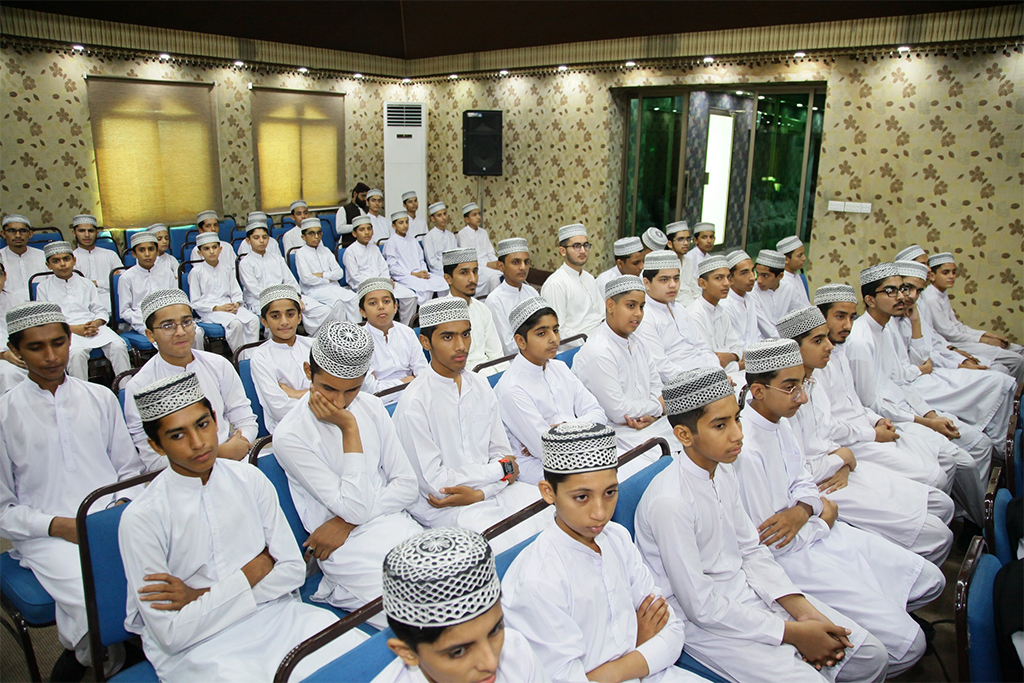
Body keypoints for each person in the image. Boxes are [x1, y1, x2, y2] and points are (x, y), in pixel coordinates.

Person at [634, 365, 889, 683]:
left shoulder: (722, 469)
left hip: (746, 588)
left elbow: (750, 550)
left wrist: (801, 610)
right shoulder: (670, 502)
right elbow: (701, 606)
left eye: (737, 419)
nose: (738, 434)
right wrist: (793, 633)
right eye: (720, 425)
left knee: (869, 655)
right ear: (684, 435)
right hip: (703, 621)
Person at [119, 372, 366, 682]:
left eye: (203, 424)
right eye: (178, 435)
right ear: (157, 446)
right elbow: (172, 634)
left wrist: (201, 595)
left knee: (362, 662)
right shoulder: (142, 518)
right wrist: (253, 572)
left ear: (215, 420)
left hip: (279, 617)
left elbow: (290, 572)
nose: (198, 443)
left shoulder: (249, 479)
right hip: (202, 650)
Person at [735, 338, 943, 677]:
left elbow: (803, 482)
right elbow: (773, 540)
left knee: (929, 580)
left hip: (818, 532)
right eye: (791, 387)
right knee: (907, 644)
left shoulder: (781, 422)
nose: (802, 397)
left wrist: (806, 511)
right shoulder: (745, 450)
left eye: (802, 384)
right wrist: (822, 516)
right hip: (796, 558)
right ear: (758, 391)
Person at [1, 302, 144, 680]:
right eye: (36, 347)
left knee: (171, 571)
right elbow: (3, 509)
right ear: (16, 351)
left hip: (111, 518)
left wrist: (121, 509)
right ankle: (109, 665)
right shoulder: (4, 414)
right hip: (45, 534)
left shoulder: (99, 398)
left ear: (70, 341)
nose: (51, 356)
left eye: (58, 342)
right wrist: (60, 526)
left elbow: (127, 470)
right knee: (92, 600)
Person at [502, 421, 698, 683]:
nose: (600, 512)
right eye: (582, 497)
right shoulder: (538, 581)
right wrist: (638, 648)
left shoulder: (616, 538)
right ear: (549, 493)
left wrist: (619, 665)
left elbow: (673, 631)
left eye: (610, 492)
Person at [778, 305, 955, 566]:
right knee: (934, 535)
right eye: (818, 340)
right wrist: (845, 456)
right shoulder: (785, 399)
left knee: (940, 503)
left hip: (839, 466)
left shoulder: (814, 380)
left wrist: (846, 458)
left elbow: (835, 426)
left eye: (827, 337)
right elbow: (797, 470)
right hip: (821, 484)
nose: (829, 346)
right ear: (794, 349)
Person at [273, 321, 424, 627]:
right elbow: (356, 506)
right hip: (347, 550)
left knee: (460, 598)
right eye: (328, 388)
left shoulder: (371, 405)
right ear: (308, 372)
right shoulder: (290, 435)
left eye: (352, 390)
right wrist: (349, 428)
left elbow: (407, 487)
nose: (339, 403)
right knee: (421, 622)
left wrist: (343, 522)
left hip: (394, 526)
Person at [392, 297, 545, 553]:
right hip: (448, 508)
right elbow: (437, 486)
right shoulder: (414, 402)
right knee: (504, 542)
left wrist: (482, 492)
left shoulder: (481, 385)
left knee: (549, 511)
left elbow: (508, 461)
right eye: (448, 337)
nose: (461, 346)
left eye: (466, 334)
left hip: (491, 493)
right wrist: (499, 473)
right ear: (425, 342)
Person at [846, 263, 990, 528]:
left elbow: (900, 381)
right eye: (890, 291)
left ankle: (973, 522)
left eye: (902, 289)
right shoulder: (859, 340)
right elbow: (871, 402)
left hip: (906, 411)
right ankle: (979, 526)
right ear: (869, 299)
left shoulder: (885, 329)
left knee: (976, 447)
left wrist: (931, 415)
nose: (902, 296)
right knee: (959, 464)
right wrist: (925, 423)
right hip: (888, 420)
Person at [814, 283, 961, 494]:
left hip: (869, 427)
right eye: (840, 317)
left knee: (941, 462)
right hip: (854, 441)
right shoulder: (818, 364)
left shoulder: (840, 351)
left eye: (852, 318)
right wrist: (873, 433)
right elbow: (829, 425)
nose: (848, 325)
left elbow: (856, 403)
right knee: (935, 478)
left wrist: (877, 420)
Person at [374, 527, 549, 683]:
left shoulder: (516, 651)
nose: (491, 663)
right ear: (408, 653)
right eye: (458, 652)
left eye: (495, 631)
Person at [890, 259, 1015, 455]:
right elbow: (903, 372)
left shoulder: (911, 312)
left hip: (922, 376)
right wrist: (936, 367)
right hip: (914, 384)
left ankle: (1006, 446)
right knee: (997, 381)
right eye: (907, 289)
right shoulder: (884, 325)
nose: (912, 296)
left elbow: (929, 348)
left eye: (917, 291)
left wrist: (915, 323)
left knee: (1000, 380)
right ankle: (1004, 449)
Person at [123, 289, 258, 470]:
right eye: (168, 326)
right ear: (150, 335)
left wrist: (241, 442)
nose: (180, 332)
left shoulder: (218, 365)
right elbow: (153, 460)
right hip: (180, 476)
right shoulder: (139, 387)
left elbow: (246, 420)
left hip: (235, 462)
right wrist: (220, 453)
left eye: (186, 322)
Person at [572, 275, 681, 475]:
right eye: (631, 306)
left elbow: (657, 386)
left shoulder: (637, 341)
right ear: (610, 305)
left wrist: (655, 414)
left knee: (697, 438)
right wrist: (658, 407)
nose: (638, 314)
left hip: (651, 423)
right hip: (619, 433)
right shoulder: (599, 351)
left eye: (641, 307)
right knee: (670, 465)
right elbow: (618, 411)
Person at [494, 297, 606, 484]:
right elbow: (547, 449)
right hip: (538, 467)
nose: (554, 339)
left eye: (555, 330)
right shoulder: (512, 388)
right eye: (541, 333)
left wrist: (562, 429)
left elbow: (599, 414)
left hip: (578, 450)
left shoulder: (559, 367)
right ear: (521, 341)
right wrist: (578, 427)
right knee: (594, 479)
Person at [919, 251, 1024, 383]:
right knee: (1016, 360)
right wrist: (983, 340)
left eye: (954, 272)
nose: (951, 276)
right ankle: (1012, 396)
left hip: (955, 339)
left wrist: (988, 335)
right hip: (952, 342)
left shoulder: (941, 295)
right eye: (946, 273)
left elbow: (957, 326)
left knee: (1019, 350)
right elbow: (949, 333)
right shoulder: (931, 298)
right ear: (932, 276)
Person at [36, 241, 131, 379]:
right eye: (56, 261)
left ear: (74, 260)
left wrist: (96, 323)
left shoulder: (86, 283)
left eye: (66, 259)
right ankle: (81, 395)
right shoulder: (43, 288)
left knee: (118, 345)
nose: (62, 264)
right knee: (76, 353)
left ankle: (125, 389)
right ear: (48, 265)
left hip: (92, 327)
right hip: (65, 331)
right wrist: (74, 329)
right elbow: (47, 320)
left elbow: (100, 310)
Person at [634, 251, 722, 384]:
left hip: (707, 376)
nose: (673, 285)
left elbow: (704, 347)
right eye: (664, 280)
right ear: (647, 283)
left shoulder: (680, 309)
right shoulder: (645, 317)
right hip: (680, 386)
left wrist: (717, 372)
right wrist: (704, 381)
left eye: (676, 278)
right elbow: (662, 368)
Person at [237, 220, 338, 335]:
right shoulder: (246, 263)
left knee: (324, 311)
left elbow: (290, 281)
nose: (261, 241)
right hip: (261, 301)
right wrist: (283, 299)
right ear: (248, 241)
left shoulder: (277, 258)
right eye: (256, 237)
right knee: (277, 318)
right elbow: (256, 291)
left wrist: (296, 297)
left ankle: (313, 342)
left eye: (264, 237)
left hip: (289, 296)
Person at [117, 232, 204, 349]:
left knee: (196, 332)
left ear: (157, 251)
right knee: (166, 335)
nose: (147, 254)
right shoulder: (126, 277)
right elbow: (125, 312)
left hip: (171, 317)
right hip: (142, 321)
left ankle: (194, 365)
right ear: (134, 254)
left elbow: (176, 300)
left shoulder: (167, 272)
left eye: (151, 249)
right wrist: (148, 320)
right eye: (142, 250)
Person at [249, 285, 314, 432]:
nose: (284, 322)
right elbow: (279, 409)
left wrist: (296, 394)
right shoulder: (261, 357)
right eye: (275, 316)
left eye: (290, 314)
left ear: (299, 317)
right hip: (289, 429)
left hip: (328, 420)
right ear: (264, 321)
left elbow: (337, 390)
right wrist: (317, 394)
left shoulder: (313, 345)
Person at [358, 277, 428, 403]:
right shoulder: (358, 342)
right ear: (363, 312)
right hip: (379, 405)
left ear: (395, 307)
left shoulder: (407, 333)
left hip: (414, 396)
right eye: (373, 303)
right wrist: (407, 380)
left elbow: (423, 373)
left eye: (386, 301)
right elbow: (372, 391)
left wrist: (389, 385)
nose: (381, 307)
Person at [188, 233, 259, 354]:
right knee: (235, 323)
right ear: (200, 252)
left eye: (214, 247)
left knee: (253, 320)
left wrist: (237, 303)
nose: (211, 251)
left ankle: (251, 356)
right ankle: (239, 357)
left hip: (229, 306)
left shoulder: (227, 268)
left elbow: (236, 291)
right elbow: (195, 302)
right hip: (210, 311)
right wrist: (217, 308)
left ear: (220, 249)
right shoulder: (196, 272)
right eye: (206, 248)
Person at [342, 215, 419, 324]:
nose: (367, 232)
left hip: (383, 283)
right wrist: (377, 283)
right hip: (363, 287)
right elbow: (355, 276)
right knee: (381, 301)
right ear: (354, 233)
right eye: (362, 230)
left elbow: (384, 268)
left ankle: (405, 326)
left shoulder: (374, 248)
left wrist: (386, 280)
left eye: (369, 228)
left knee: (411, 296)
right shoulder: (350, 252)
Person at [442, 248, 505, 374]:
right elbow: (449, 368)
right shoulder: (441, 315)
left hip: (489, 373)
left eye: (475, 271)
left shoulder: (482, 309)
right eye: (464, 273)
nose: (472, 279)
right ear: (448, 278)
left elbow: (497, 355)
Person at [539, 223, 605, 343]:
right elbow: (557, 330)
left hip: (600, 340)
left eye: (586, 245)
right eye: (576, 246)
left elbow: (601, 315)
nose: (583, 251)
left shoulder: (589, 278)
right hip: (576, 348)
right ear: (562, 251)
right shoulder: (556, 284)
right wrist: (590, 342)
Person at [295, 217, 360, 323]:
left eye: (319, 233)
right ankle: (340, 334)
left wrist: (322, 275)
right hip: (313, 290)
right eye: (312, 234)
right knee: (337, 302)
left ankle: (355, 330)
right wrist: (329, 279)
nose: (316, 237)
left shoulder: (326, 250)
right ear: (303, 236)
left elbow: (339, 273)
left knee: (354, 298)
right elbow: (307, 279)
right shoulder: (300, 253)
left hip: (332, 286)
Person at [687, 255, 744, 373]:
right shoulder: (695, 314)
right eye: (719, 278)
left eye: (728, 278)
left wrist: (730, 357)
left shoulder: (721, 311)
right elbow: (708, 361)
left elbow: (737, 347)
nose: (726, 283)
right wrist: (739, 364)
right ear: (702, 283)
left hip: (733, 372)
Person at [485, 237, 539, 355]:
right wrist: (539, 343)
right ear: (501, 266)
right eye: (516, 262)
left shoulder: (532, 292)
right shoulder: (495, 300)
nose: (523, 267)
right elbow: (508, 347)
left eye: (526, 262)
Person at [383, 211, 448, 306]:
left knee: (442, 282)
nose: (405, 225)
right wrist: (413, 274)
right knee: (425, 288)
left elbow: (421, 260)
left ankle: (442, 310)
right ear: (394, 226)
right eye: (401, 223)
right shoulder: (391, 243)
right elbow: (393, 268)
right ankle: (425, 315)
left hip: (419, 273)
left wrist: (424, 271)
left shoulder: (413, 240)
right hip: (404, 276)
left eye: (406, 222)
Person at [70, 214, 122, 309]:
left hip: (112, 302)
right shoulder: (70, 259)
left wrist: (97, 283)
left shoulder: (110, 255)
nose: (87, 235)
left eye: (91, 231)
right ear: (74, 233)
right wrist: (108, 281)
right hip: (83, 304)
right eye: (82, 231)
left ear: (97, 233)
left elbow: (121, 281)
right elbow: (74, 286)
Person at [456, 202, 502, 297]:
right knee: (494, 278)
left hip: (488, 265)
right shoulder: (462, 234)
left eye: (479, 214)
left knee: (507, 271)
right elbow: (468, 258)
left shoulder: (483, 232)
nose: (478, 217)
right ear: (467, 219)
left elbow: (490, 252)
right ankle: (493, 302)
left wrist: (496, 263)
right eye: (474, 215)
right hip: (476, 267)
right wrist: (487, 264)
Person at [719, 249, 762, 349]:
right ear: (730, 279)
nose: (752, 277)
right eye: (744, 273)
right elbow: (735, 345)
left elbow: (755, 336)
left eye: (752, 271)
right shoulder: (725, 305)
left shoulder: (749, 299)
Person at [0, 214, 46, 304]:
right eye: (11, 231)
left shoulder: (43, 256)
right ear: (3, 234)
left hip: (41, 305)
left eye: (23, 231)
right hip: (7, 308)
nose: (17, 235)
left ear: (30, 234)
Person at [0, 262, 29, 393]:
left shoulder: (17, 301)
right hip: (3, 359)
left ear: (5, 276)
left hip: (20, 352)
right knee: (9, 373)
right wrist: (4, 355)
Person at [594, 236, 645, 305]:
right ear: (620, 263)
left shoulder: (643, 277)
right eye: (636, 263)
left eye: (643, 261)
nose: (642, 266)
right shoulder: (604, 282)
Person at [747, 249, 785, 337]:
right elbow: (767, 330)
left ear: (780, 276)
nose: (759, 280)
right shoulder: (752, 293)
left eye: (765, 275)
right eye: (757, 274)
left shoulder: (788, 289)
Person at [189, 210, 235, 274]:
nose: (213, 229)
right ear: (200, 230)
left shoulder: (227, 247)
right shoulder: (197, 250)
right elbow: (200, 274)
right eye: (208, 226)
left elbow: (234, 269)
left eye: (215, 225)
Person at [774, 235, 810, 316]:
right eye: (799, 255)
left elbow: (805, 304)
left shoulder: (796, 276)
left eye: (803, 254)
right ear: (786, 259)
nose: (804, 258)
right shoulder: (781, 282)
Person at [666, 221, 701, 306]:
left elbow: (695, 290)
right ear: (670, 244)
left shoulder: (688, 262)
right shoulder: (666, 264)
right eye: (680, 239)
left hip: (692, 307)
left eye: (688, 239)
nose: (685, 243)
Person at [421, 201, 458, 278]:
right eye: (439, 215)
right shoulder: (428, 237)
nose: (443, 217)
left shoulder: (451, 235)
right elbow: (432, 262)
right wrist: (448, 268)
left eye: (445, 214)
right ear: (432, 218)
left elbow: (456, 255)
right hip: (438, 271)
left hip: (454, 268)